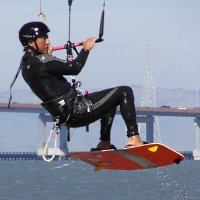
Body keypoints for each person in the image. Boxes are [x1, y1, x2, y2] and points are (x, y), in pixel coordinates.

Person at [19, 21, 144, 150]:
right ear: (30, 42)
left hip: (65, 116)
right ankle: (134, 137)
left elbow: (50, 80)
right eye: (44, 38)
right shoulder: (42, 62)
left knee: (111, 99)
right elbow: (74, 67)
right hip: (78, 110)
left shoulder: (26, 66)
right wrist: (85, 49)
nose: (48, 42)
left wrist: (48, 56)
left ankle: (104, 143)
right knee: (125, 92)